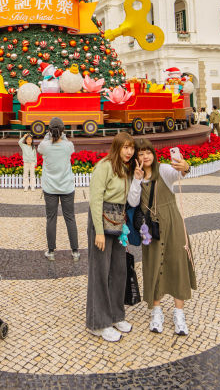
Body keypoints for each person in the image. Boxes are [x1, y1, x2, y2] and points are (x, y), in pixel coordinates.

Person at [130, 138, 197, 335]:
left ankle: (179, 313)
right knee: (153, 265)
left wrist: (185, 167)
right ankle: (156, 311)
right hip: (149, 228)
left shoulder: (164, 170)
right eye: (141, 154)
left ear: (153, 153)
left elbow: (179, 172)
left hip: (172, 222)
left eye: (148, 152)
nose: (145, 157)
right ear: (136, 157)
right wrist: (136, 179)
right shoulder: (135, 176)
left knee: (177, 263)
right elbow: (133, 201)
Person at [86, 132, 135, 342]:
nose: (129, 152)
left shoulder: (127, 169)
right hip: (101, 220)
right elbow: (95, 199)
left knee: (118, 270)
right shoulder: (104, 166)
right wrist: (98, 231)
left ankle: (116, 315)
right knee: (100, 272)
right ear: (116, 147)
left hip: (118, 221)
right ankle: (99, 322)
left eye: (131, 148)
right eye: (125, 147)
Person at [37, 118, 79, 261]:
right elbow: (67, 143)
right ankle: (75, 251)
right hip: (67, 187)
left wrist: (48, 135)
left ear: (49, 130)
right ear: (62, 131)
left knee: (51, 219)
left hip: (50, 188)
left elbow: (41, 146)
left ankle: (51, 251)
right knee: (70, 218)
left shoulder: (45, 146)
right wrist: (62, 135)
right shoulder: (68, 146)